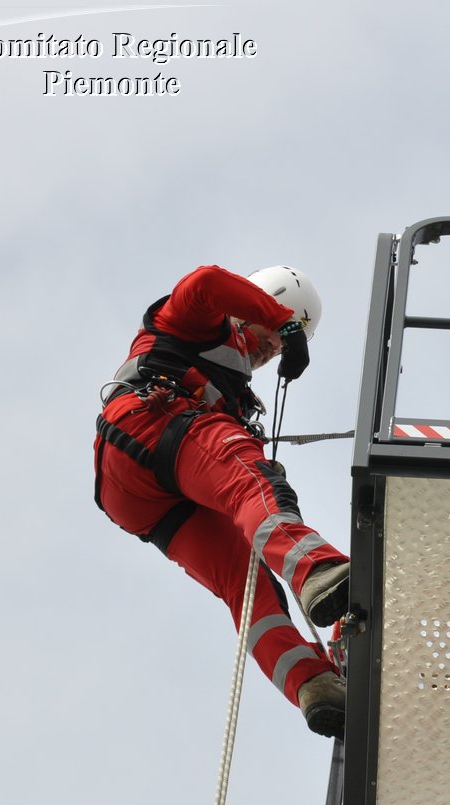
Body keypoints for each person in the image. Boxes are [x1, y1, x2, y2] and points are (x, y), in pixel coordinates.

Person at [93, 264, 353, 738]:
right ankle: (316, 569)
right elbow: (206, 282)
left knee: (247, 582)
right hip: (153, 421)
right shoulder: (197, 323)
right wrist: (286, 322)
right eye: (274, 329)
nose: (275, 347)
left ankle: (313, 685)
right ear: (255, 305)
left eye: (282, 339)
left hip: (138, 493)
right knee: (250, 482)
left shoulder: (232, 391)